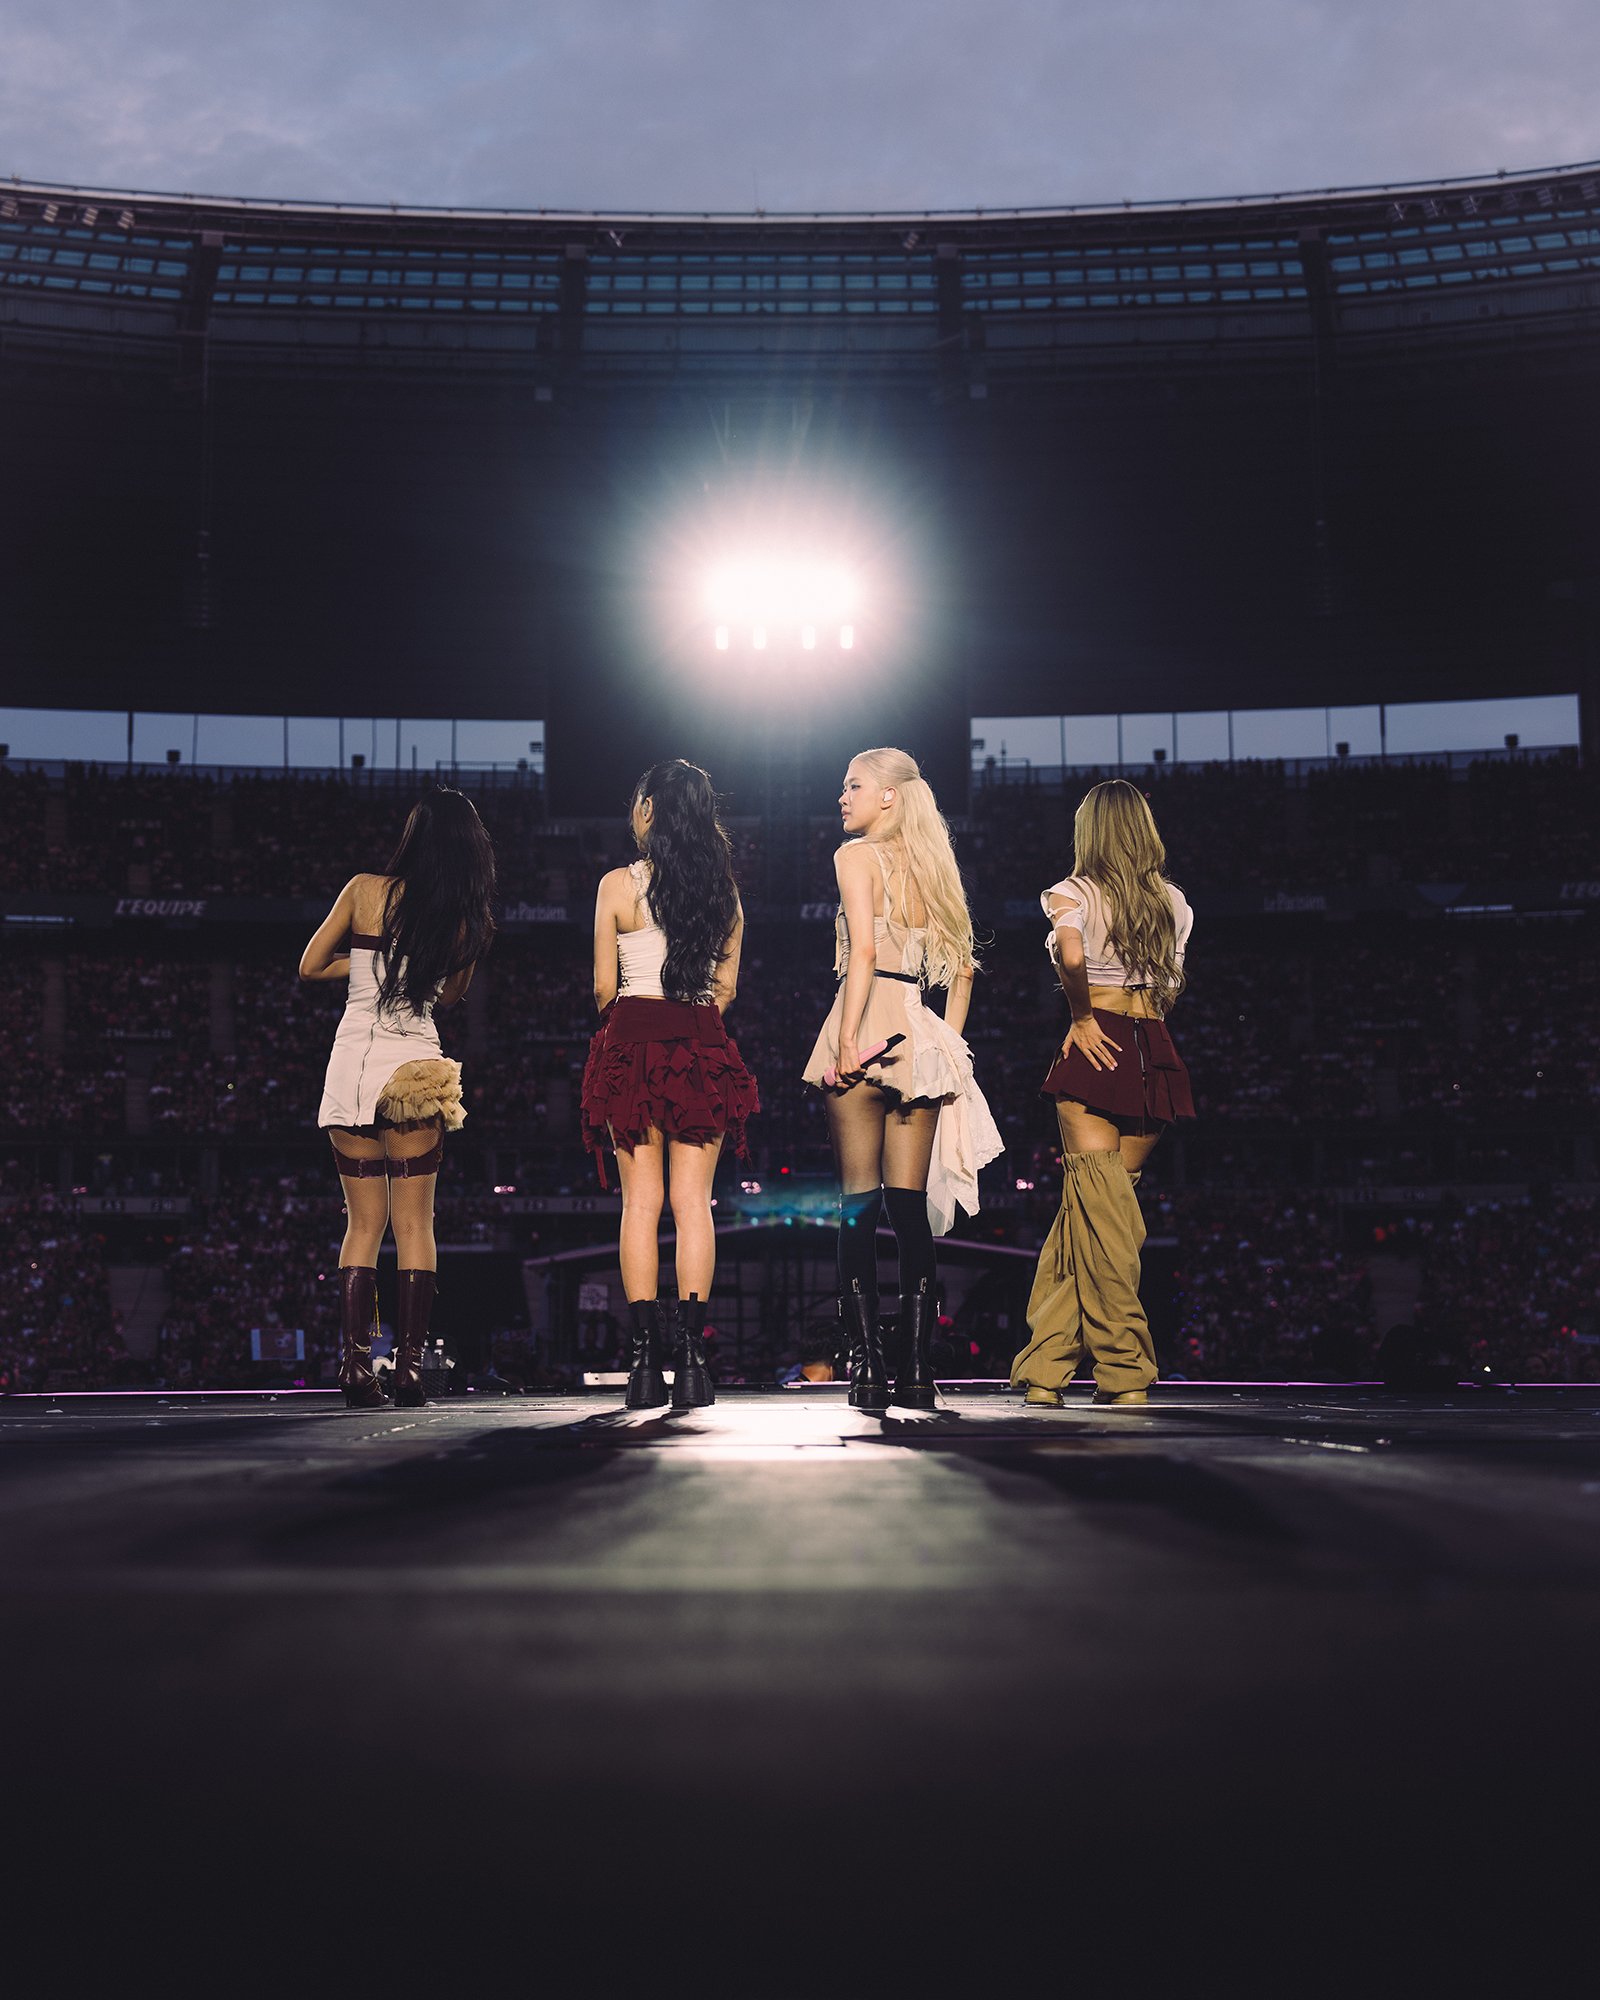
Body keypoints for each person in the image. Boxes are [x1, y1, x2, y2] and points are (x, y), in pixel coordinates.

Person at [802, 747, 1001, 1413]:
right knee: (909, 1210)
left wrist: (851, 1039)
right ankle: (919, 1367)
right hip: (919, 1036)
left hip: (864, 1028)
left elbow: (860, 952)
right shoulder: (931, 865)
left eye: (853, 784)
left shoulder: (853, 856)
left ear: (888, 796)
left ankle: (865, 1366)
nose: (842, 795)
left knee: (857, 1206)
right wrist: (951, 1040)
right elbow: (965, 970)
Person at [300, 789, 495, 1409]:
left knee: (362, 1224)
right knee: (416, 1224)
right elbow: (449, 996)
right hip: (415, 1070)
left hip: (351, 1068)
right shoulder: (465, 919)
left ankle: (358, 1370)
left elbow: (309, 965)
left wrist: (363, 967)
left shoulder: (363, 889)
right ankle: (409, 1370)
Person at [1009, 779, 1194, 1409]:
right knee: (1099, 1215)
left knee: (1099, 1216)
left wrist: (1082, 1016)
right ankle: (1046, 1368)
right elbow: (1173, 983)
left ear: (1090, 832)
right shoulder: (1175, 902)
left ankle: (1123, 1372)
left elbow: (1069, 950)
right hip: (1152, 1046)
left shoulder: (1072, 893)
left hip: (1099, 1040)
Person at [581, 760, 757, 1412]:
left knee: (640, 1206)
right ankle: (692, 1360)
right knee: (694, 1206)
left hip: (631, 1038)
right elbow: (728, 989)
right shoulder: (725, 893)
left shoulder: (616, 887)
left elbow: (603, 987)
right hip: (701, 1040)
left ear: (650, 810)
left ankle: (643, 1364)